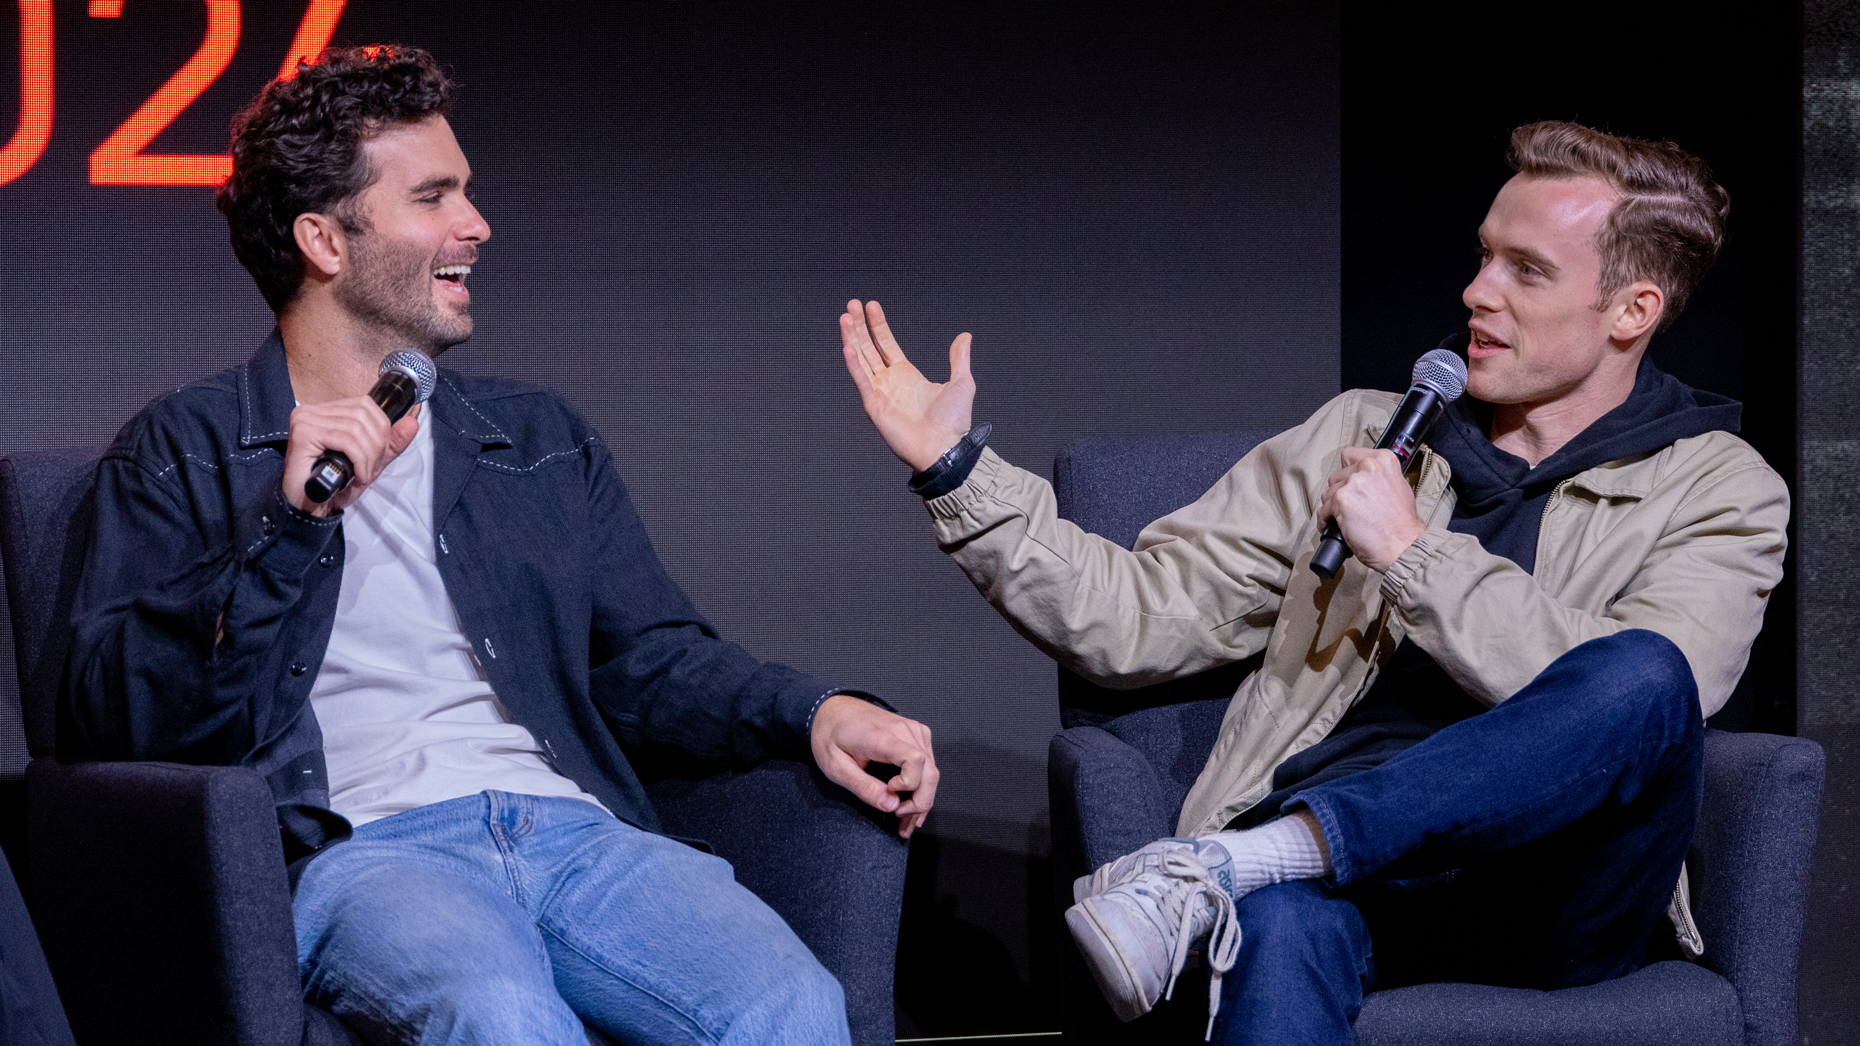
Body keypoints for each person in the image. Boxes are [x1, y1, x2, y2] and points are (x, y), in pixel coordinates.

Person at [62, 45, 938, 1046]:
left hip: (573, 831)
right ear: (325, 240)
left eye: (467, 192)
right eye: (434, 195)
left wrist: (816, 708)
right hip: (369, 852)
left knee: (792, 1006)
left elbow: (648, 659)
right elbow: (115, 709)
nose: (476, 225)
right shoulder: (189, 444)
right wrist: (289, 523)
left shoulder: (537, 437)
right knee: (503, 1016)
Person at [839, 120, 1787, 1044]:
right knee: (1281, 928)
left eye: (1525, 270)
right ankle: (1264, 867)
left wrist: (1412, 554)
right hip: (1351, 890)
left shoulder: (1719, 488)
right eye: (1484, 255)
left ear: (1633, 311)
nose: (1476, 292)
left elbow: (1662, 702)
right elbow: (1138, 615)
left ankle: (1242, 862)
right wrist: (958, 471)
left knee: (1646, 674)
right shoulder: (1367, 437)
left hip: (1557, 887)